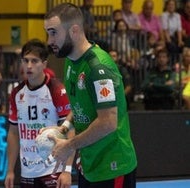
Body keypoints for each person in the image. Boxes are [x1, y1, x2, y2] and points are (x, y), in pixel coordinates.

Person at [44, 3, 137, 188]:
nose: (49, 40)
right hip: (89, 165)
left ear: (74, 31)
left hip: (113, 166)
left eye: (54, 33)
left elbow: (108, 123)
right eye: (48, 33)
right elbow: (80, 106)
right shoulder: (71, 62)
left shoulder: (98, 68)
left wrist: (69, 145)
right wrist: (65, 126)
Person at [5, 39, 74, 188]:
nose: (29, 66)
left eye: (34, 61)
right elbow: (13, 133)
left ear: (44, 64)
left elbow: (70, 130)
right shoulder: (17, 93)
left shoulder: (56, 90)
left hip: (53, 170)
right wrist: (10, 170)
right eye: (26, 61)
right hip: (28, 173)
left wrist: (67, 170)